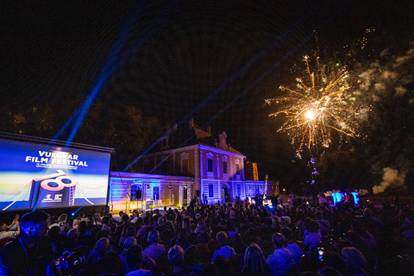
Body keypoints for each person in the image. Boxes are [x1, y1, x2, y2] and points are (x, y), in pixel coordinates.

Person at [0, 210, 55, 275]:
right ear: (30, 229)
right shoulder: (8, 251)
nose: (48, 229)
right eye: (44, 226)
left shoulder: (46, 245)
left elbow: (50, 269)